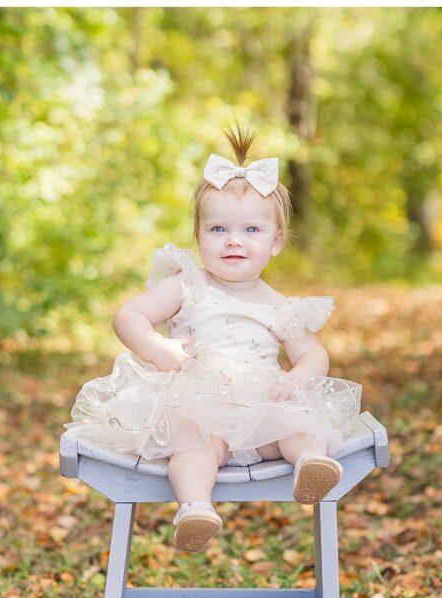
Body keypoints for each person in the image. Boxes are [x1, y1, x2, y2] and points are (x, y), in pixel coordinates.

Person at [67, 126, 361, 553]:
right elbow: (128, 315)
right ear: (199, 236)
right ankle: (195, 508)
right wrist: (157, 348)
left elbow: (313, 354)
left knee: (295, 423)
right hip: (197, 400)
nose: (234, 240)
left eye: (252, 231)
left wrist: (296, 380)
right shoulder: (185, 286)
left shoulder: (281, 306)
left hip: (261, 407)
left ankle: (309, 464)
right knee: (195, 444)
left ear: (276, 242)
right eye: (218, 229)